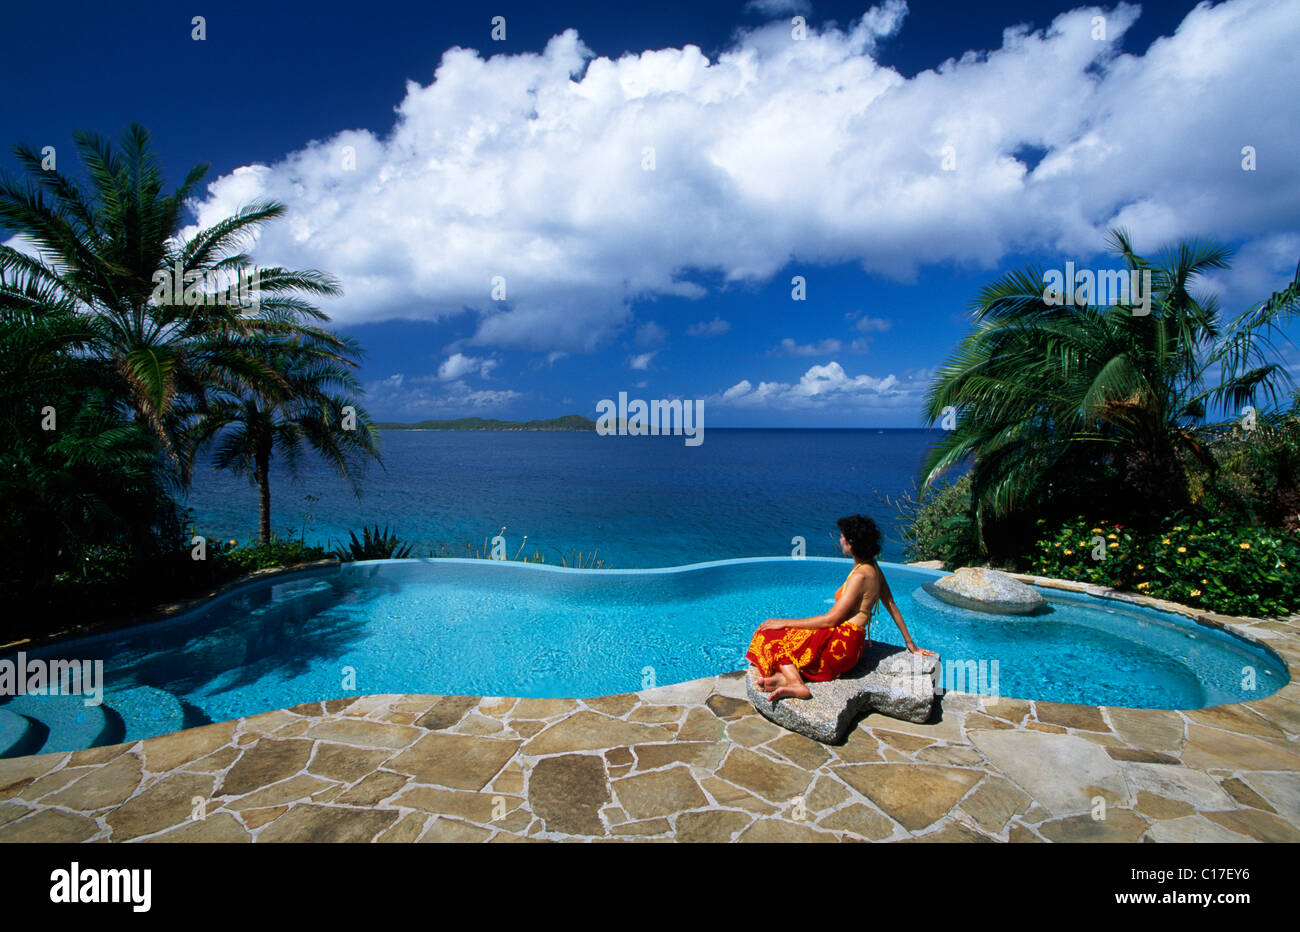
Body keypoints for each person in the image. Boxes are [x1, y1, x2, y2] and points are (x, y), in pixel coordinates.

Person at [746, 514, 936, 702]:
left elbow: (831, 620)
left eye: (843, 536)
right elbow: (891, 604)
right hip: (852, 645)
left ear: (851, 543)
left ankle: (795, 682)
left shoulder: (860, 576)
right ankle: (784, 678)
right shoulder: (873, 567)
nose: (840, 538)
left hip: (839, 646)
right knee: (785, 635)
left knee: (768, 634)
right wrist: (910, 644)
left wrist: (783, 622)